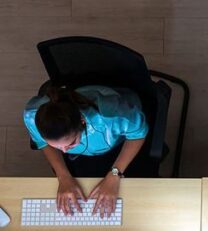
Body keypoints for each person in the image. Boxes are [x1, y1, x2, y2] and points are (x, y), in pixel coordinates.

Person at [23, 85, 150, 217]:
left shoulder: (112, 116)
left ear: (82, 122)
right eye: (56, 146)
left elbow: (138, 134)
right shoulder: (32, 116)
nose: (64, 152)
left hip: (117, 142)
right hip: (86, 151)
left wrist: (114, 174)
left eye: (70, 143)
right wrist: (63, 176)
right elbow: (42, 142)